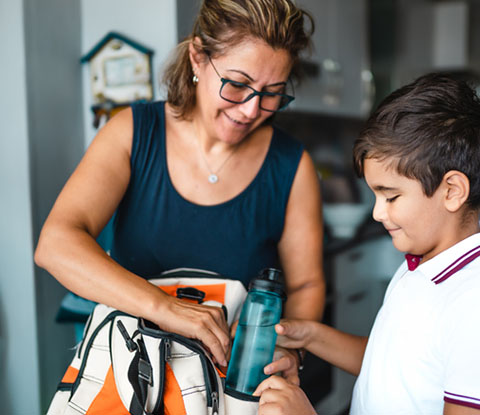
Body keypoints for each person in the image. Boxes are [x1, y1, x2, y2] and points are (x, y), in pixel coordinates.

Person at [35, 0, 325, 382]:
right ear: (197, 58)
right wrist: (166, 308)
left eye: (272, 93)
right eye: (237, 84)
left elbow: (306, 284)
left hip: (233, 385)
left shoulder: (292, 165)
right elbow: (56, 245)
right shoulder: (132, 132)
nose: (252, 110)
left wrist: (288, 351)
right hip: (132, 380)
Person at [255, 73, 480, 414]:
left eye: (391, 196)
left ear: (452, 191)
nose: (376, 213)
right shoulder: (422, 263)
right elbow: (393, 364)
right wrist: (309, 335)